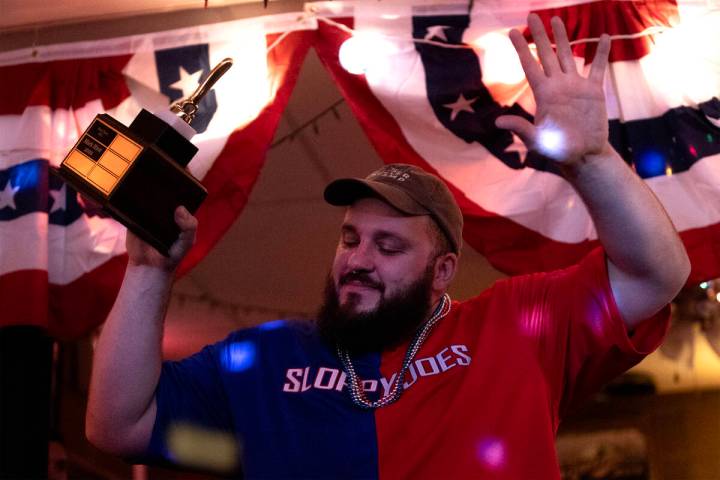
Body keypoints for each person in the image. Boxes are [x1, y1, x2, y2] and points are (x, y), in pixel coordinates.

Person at [85, 15, 690, 479]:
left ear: (443, 269)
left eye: (388, 245)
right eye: (350, 237)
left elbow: (656, 276)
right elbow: (116, 427)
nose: (358, 258)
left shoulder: (516, 325)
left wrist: (592, 162)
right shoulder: (264, 358)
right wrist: (147, 270)